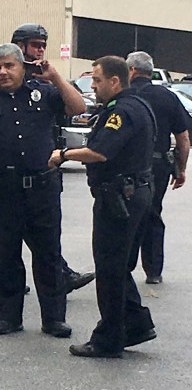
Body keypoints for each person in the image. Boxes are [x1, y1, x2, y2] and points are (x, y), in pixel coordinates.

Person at [0, 43, 86, 337]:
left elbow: (78, 107)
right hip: (3, 190)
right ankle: (9, 317)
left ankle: (54, 319)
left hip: (41, 187)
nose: (2, 72)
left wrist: (56, 78)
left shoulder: (43, 92)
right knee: (5, 255)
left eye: (8, 66)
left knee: (48, 254)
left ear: (22, 67)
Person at [48, 56, 157, 358]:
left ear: (115, 81)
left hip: (120, 197)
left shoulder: (121, 112)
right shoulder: (136, 104)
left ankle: (108, 338)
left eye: (96, 80)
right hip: (133, 193)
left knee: (109, 268)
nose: (93, 86)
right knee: (118, 265)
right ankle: (136, 324)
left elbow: (99, 152)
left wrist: (63, 154)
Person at [8, 23, 96, 295]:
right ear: (20, 47)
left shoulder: (45, 82)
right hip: (9, 174)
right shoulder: (6, 78)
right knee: (8, 235)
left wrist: (56, 78)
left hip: (43, 173)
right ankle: (6, 282)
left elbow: (79, 107)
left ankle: (59, 275)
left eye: (43, 45)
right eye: (35, 45)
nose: (41, 50)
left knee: (44, 235)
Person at [125, 51, 190, 285]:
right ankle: (153, 270)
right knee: (153, 212)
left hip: (129, 165)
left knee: (127, 214)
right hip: (159, 164)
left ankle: (125, 266)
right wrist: (181, 169)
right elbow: (183, 138)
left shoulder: (125, 96)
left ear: (132, 70)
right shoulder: (168, 96)